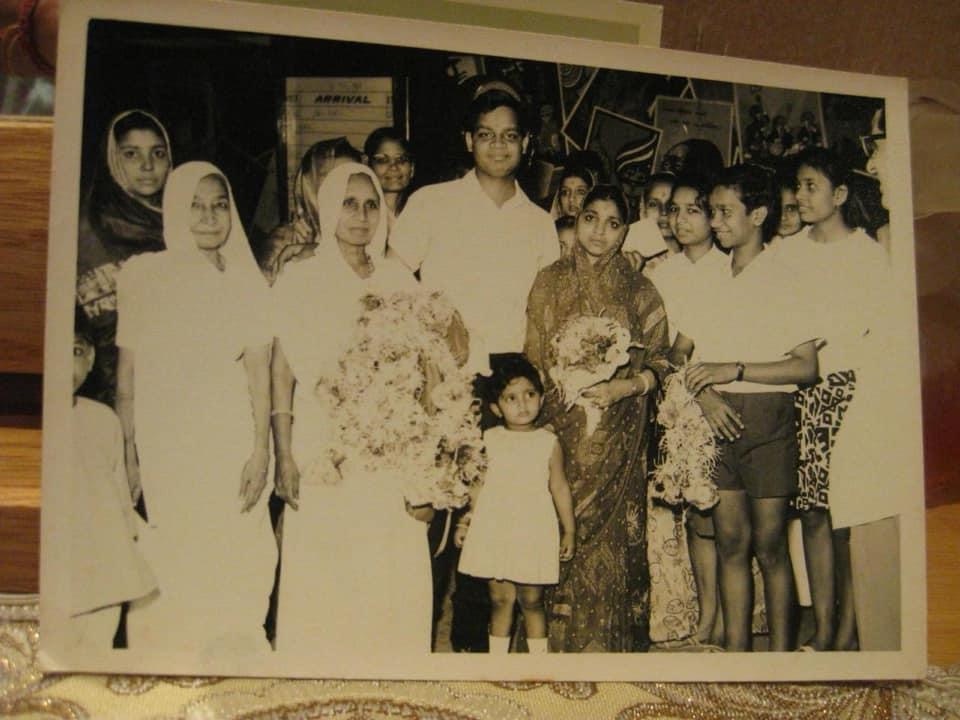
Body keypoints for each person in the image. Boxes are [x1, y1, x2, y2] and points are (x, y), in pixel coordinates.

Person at [390, 84, 559, 652]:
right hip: (443, 375)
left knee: (497, 513)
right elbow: (392, 280)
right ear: (468, 140)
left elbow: (544, 310)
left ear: (526, 143)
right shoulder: (431, 203)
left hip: (508, 382)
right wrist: (440, 319)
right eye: (486, 134)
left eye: (510, 136)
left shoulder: (537, 221)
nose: (498, 146)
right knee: (438, 507)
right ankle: (419, 637)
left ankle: (477, 644)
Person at [271, 162, 437, 659]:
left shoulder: (399, 278)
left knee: (389, 563)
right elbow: (283, 369)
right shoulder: (300, 277)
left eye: (370, 205)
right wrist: (284, 454)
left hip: (390, 443)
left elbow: (425, 369)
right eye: (349, 204)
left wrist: (425, 461)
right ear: (327, 209)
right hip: (323, 442)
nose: (362, 216)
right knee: (328, 567)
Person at [115, 162, 277, 660]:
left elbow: (259, 375)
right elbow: (127, 376)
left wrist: (261, 451)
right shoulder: (144, 274)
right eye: (196, 206)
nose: (209, 217)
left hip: (231, 435)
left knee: (241, 551)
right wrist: (127, 454)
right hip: (169, 444)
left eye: (219, 205)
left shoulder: (247, 282)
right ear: (174, 209)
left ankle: (235, 664)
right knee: (177, 555)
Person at [679, 164, 819, 652]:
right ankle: (737, 657)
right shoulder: (708, 276)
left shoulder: (787, 279)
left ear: (758, 214)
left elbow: (805, 367)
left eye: (724, 212)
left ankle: (778, 661)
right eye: (712, 211)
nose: (714, 222)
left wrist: (734, 370)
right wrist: (704, 395)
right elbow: (678, 355)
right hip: (715, 421)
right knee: (731, 544)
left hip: (768, 422)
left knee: (770, 547)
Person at [525, 184, 670, 652]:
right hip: (560, 429)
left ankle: (610, 649)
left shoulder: (641, 291)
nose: (599, 232)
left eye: (612, 223)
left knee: (611, 542)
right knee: (557, 527)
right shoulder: (548, 281)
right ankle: (551, 650)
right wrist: (559, 395)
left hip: (620, 436)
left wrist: (624, 387)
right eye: (590, 218)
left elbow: (662, 361)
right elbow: (533, 354)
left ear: (625, 232)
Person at [775, 146, 892, 650]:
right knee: (810, 510)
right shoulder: (786, 252)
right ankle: (824, 629)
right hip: (796, 391)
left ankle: (847, 631)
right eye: (797, 186)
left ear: (840, 194)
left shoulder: (867, 254)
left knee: (845, 512)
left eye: (811, 187)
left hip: (847, 390)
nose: (801, 197)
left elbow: (876, 331)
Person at [647, 173, 730, 647]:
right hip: (674, 402)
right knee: (688, 512)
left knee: (718, 514)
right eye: (673, 210)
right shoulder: (661, 272)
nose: (680, 220)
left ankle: (725, 615)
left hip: (719, 399)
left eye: (692, 210)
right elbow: (661, 347)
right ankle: (696, 614)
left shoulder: (729, 267)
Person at [456, 354, 575, 653]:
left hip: (531, 531)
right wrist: (466, 522)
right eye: (511, 398)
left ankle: (537, 666)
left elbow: (559, 486)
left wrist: (569, 530)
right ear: (496, 408)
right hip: (495, 529)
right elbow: (478, 486)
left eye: (529, 394)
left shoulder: (548, 442)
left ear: (542, 398)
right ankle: (498, 666)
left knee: (532, 600)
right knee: (500, 599)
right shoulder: (489, 439)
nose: (522, 404)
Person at [67, 313, 156, 649]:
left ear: (90, 359)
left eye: (76, 351)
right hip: (62, 577)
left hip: (105, 575)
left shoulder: (103, 420)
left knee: (96, 649)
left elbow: (121, 503)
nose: (65, 364)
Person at [76, 109, 172, 406]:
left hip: (178, 377)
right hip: (116, 391)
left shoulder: (184, 219)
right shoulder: (93, 228)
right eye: (131, 154)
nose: (147, 165)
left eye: (158, 153)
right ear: (112, 159)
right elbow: (104, 333)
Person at [258, 137, 362, 283]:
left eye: (350, 177)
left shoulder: (370, 233)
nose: (342, 186)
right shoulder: (285, 242)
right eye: (331, 177)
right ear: (311, 184)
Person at [364, 126, 416, 230]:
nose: (394, 167)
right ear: (368, 165)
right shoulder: (362, 215)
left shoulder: (422, 211)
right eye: (382, 160)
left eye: (401, 159)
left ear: (412, 168)